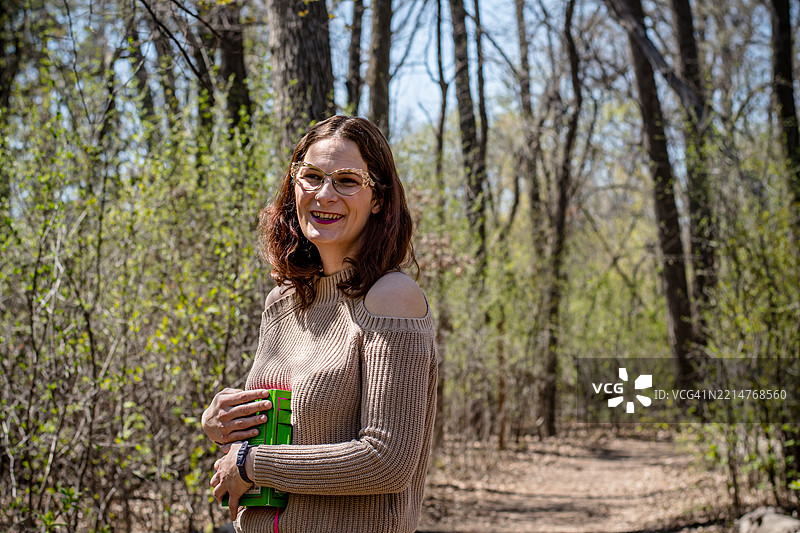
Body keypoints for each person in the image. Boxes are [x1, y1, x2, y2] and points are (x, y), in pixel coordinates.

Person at [202, 115, 437, 533]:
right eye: (311, 176)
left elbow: (387, 461)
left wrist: (251, 463)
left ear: (379, 198)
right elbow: (286, 438)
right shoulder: (284, 302)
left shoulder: (390, 297)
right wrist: (224, 427)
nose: (324, 194)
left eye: (347, 180)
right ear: (294, 186)